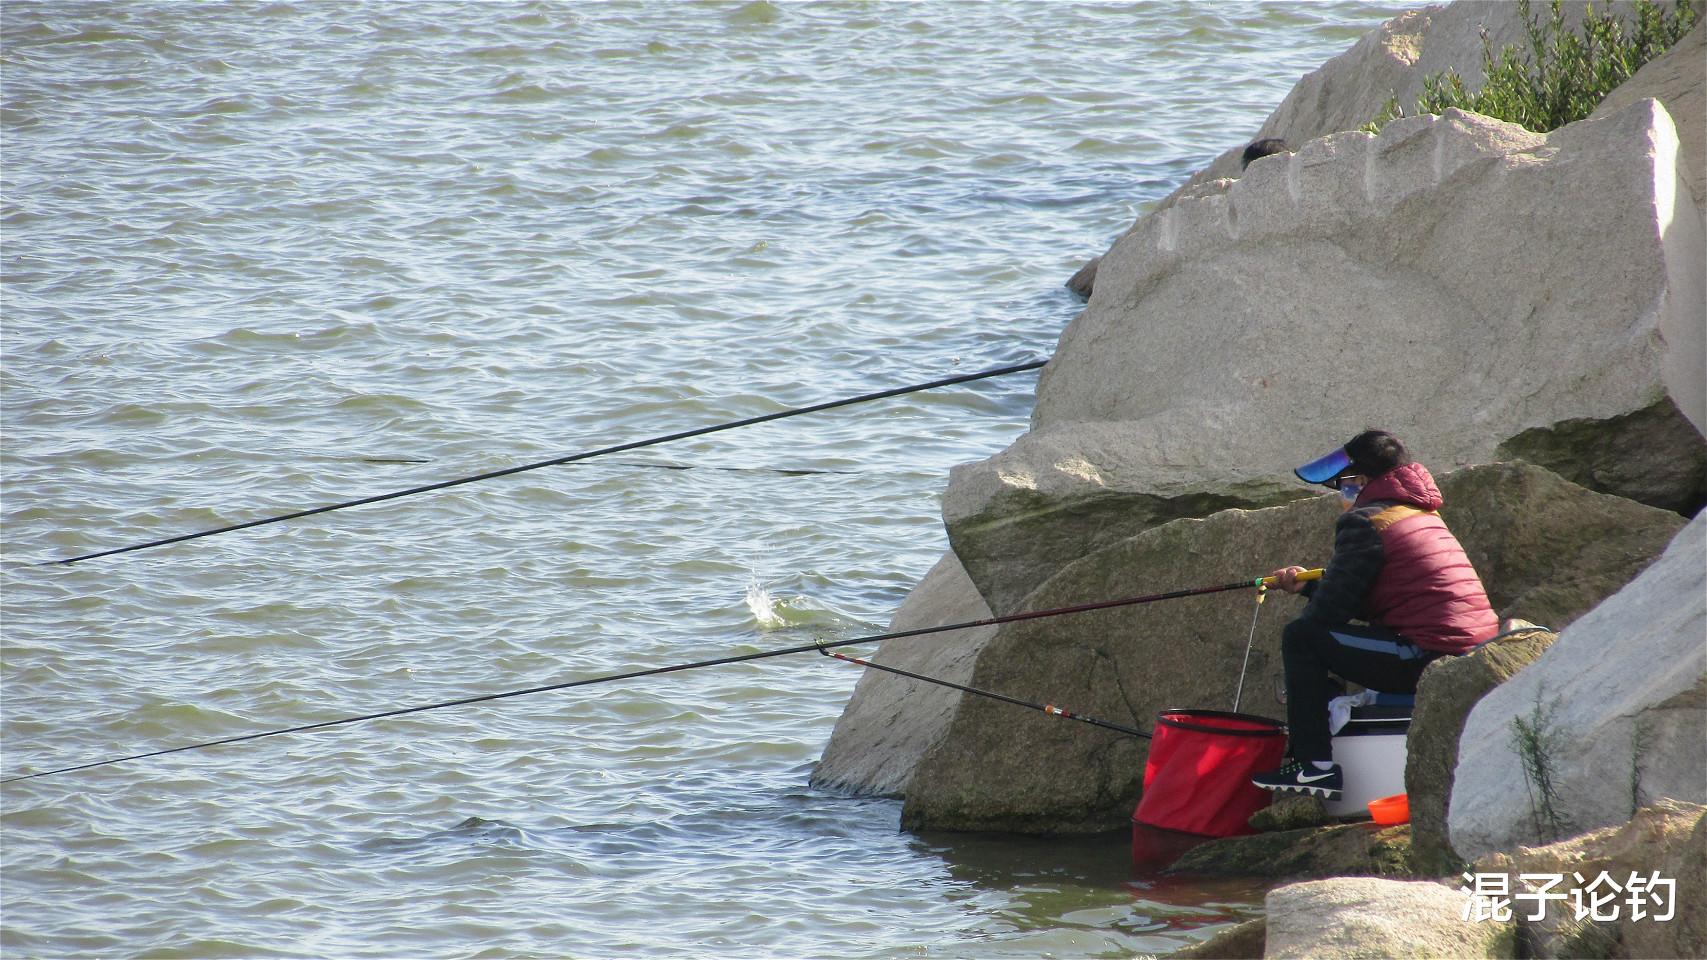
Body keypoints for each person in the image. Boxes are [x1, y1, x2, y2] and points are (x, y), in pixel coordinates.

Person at [1250, 430, 1498, 801]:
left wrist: (1320, 593)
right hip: (1473, 650)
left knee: (1301, 638)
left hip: (1429, 655)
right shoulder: (1417, 511)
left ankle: (1313, 767)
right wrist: (1310, 585)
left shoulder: (1365, 520)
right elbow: (1379, 595)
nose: (1342, 497)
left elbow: (1326, 617)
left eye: (1343, 486)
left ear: (1361, 481)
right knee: (1318, 639)